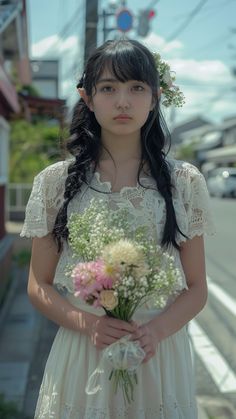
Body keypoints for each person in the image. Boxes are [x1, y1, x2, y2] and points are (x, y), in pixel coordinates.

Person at [21, 39, 214, 419]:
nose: (123, 101)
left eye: (136, 88)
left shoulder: (185, 182)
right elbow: (37, 285)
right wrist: (88, 323)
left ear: (155, 97)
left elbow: (197, 288)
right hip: (83, 351)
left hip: (158, 356)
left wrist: (156, 331)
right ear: (87, 98)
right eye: (108, 88)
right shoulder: (54, 182)